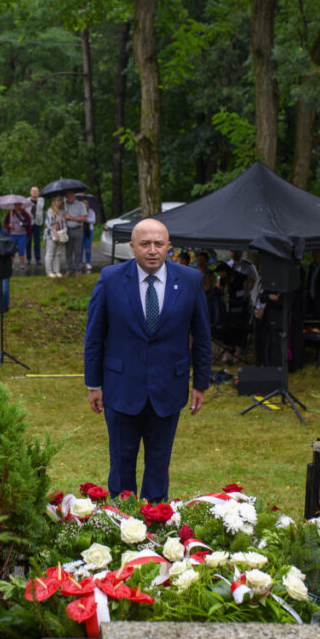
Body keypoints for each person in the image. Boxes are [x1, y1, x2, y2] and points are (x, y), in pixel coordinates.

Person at [84, 218, 211, 502]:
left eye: (158, 244)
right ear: (132, 247)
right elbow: (94, 336)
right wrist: (93, 384)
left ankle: (156, 524)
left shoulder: (190, 280)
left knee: (158, 465)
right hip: (120, 390)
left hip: (168, 390)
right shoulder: (110, 279)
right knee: (121, 465)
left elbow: (202, 335)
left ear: (169, 247)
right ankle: (122, 527)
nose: (152, 250)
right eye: (145, 244)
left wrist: (201, 383)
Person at [63, 191, 87, 276]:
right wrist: (63, 217)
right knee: (68, 251)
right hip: (68, 230)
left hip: (78, 229)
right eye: (68, 195)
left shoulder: (81, 205)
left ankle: (77, 269)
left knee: (78, 250)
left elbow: (84, 218)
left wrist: (72, 217)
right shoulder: (64, 205)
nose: (69, 196)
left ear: (74, 195)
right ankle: (68, 269)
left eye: (71, 195)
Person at [3, 202, 31, 273]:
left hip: (22, 235)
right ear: (14, 205)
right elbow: (5, 223)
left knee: (21, 250)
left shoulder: (24, 213)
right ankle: (11, 265)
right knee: (12, 250)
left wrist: (22, 224)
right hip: (13, 234)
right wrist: (9, 225)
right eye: (16, 205)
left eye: (19, 204)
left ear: (21, 205)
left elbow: (28, 223)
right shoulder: (10, 213)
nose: (17, 206)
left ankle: (22, 266)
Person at [43, 196, 66, 278]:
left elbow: (63, 223)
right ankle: (49, 271)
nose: (58, 202)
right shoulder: (50, 211)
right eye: (56, 201)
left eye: (59, 201)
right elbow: (48, 224)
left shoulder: (62, 211)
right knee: (50, 253)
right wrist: (55, 233)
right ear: (53, 202)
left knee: (58, 253)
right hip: (51, 235)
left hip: (60, 234)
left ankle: (57, 271)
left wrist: (63, 220)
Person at [26, 186, 45, 267]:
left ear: (38, 192)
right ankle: (28, 259)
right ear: (30, 192)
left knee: (37, 242)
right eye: (33, 191)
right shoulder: (26, 200)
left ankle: (38, 259)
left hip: (38, 223)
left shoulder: (42, 200)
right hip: (29, 224)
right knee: (28, 242)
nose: (34, 192)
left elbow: (44, 211)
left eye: (36, 191)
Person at [82, 197, 96, 272]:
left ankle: (88, 262)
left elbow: (93, 220)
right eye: (83, 203)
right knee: (80, 247)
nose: (85, 204)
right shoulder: (80, 211)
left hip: (89, 231)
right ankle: (80, 262)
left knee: (88, 247)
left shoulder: (91, 211)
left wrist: (86, 219)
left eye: (86, 203)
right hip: (81, 231)